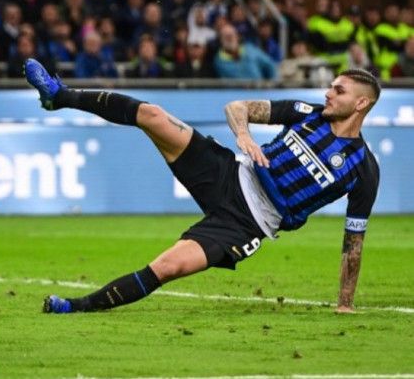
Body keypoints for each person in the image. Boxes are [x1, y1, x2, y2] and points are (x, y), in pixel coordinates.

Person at [23, 58, 380, 315]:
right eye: (331, 86)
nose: (328, 92)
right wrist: (243, 134)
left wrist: (345, 303)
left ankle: (74, 307)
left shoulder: (363, 169)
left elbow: (354, 240)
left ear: (361, 103)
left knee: (168, 267)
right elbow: (237, 106)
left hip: (246, 224)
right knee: (152, 115)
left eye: (339, 90)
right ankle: (60, 95)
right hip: (228, 172)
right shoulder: (307, 112)